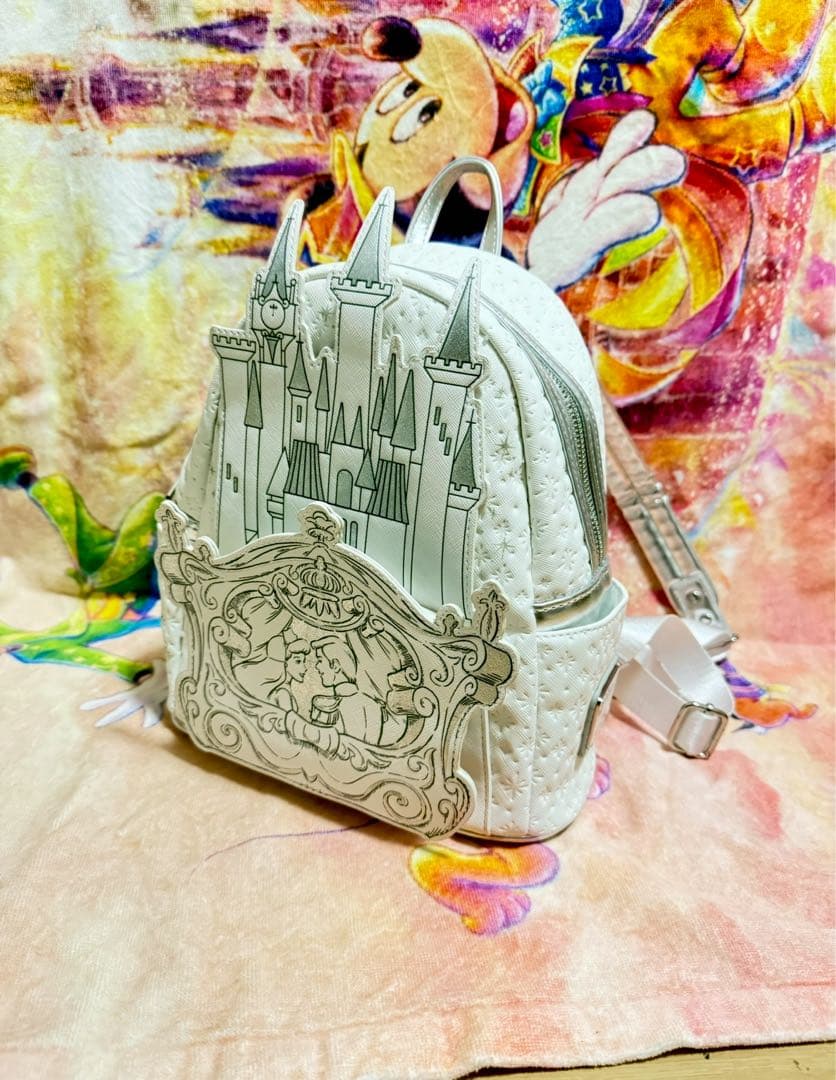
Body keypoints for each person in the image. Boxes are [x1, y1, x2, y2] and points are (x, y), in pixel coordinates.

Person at [311, 635, 385, 744]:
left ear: (335, 666)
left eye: (320, 660)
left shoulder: (329, 708)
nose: (317, 666)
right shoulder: (374, 705)